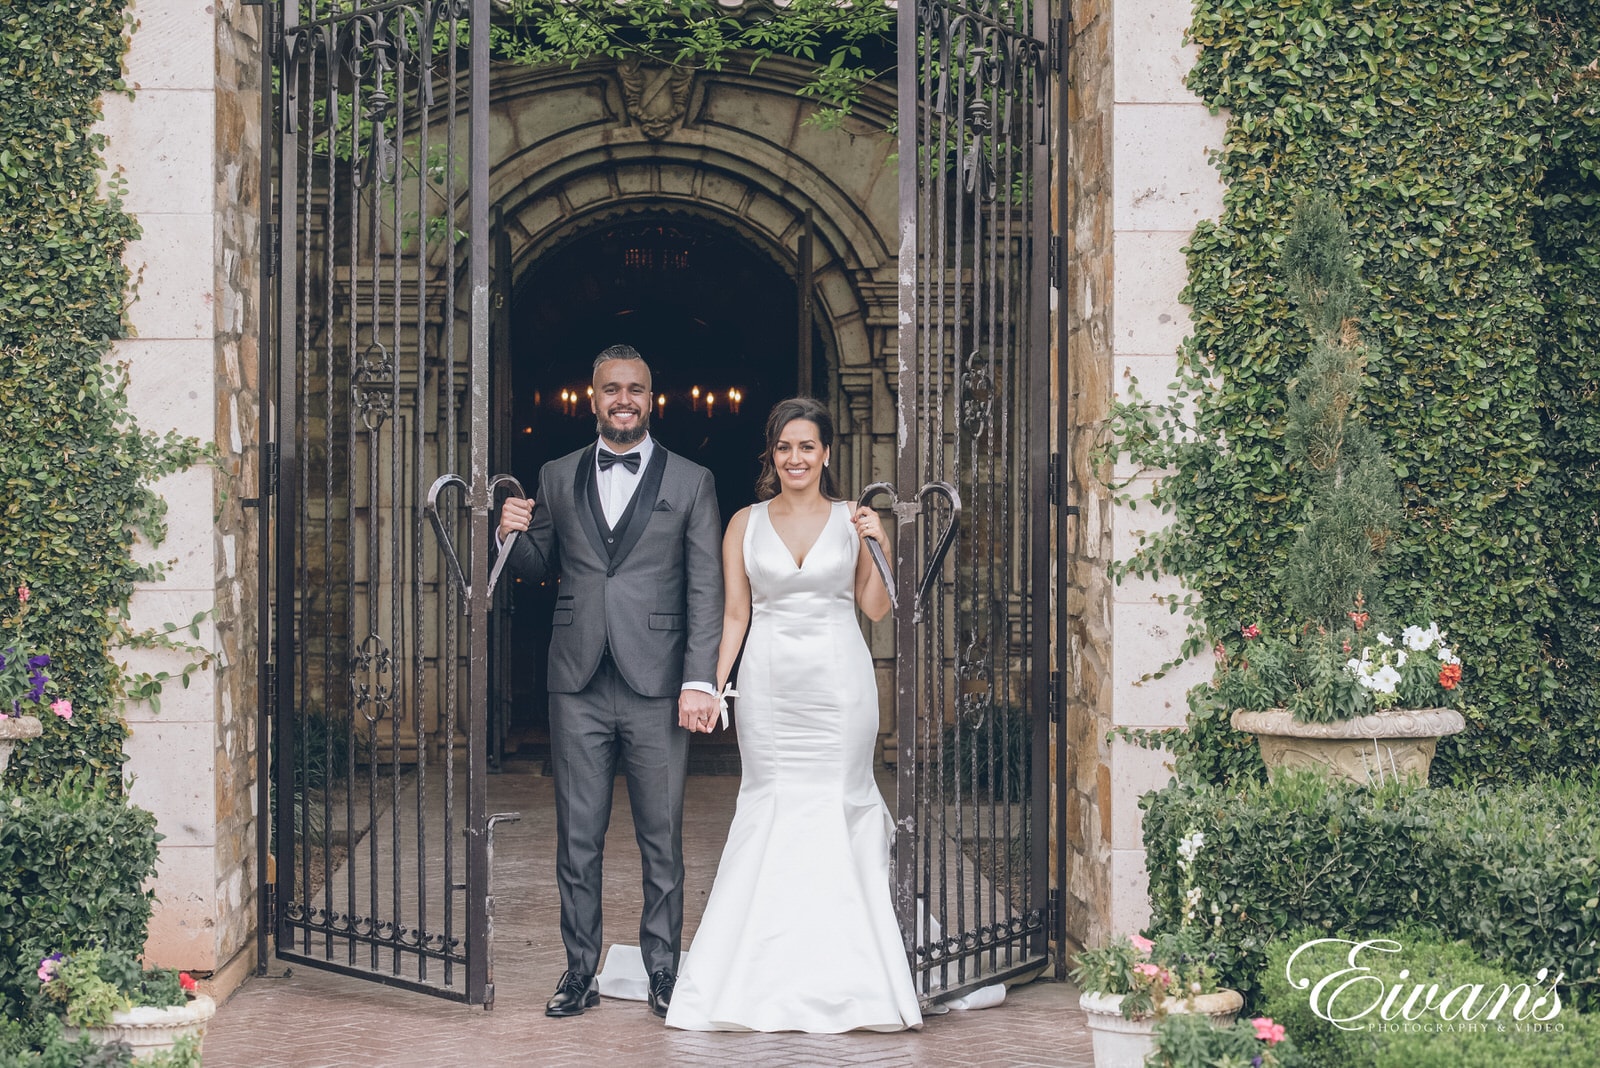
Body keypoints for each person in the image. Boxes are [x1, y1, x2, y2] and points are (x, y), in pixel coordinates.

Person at [665, 396, 923, 1033]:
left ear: (827, 453)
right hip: (771, 687)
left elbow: (876, 608)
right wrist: (709, 687)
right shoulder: (744, 524)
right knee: (772, 800)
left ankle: (855, 965)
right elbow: (734, 617)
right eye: (784, 447)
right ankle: (760, 962)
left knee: (839, 801)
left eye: (807, 447)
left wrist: (881, 542)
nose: (796, 458)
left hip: (840, 684)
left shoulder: (851, 519)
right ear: (771, 454)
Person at [497, 345, 724, 1020]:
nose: (623, 399)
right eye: (610, 389)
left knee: (662, 836)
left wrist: (699, 680)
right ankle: (578, 973)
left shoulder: (693, 480)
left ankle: (663, 972)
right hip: (577, 679)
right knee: (578, 837)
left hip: (659, 682)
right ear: (591, 398)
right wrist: (509, 531)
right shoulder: (558, 473)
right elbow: (539, 568)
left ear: (651, 399)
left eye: (635, 389)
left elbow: (707, 590)